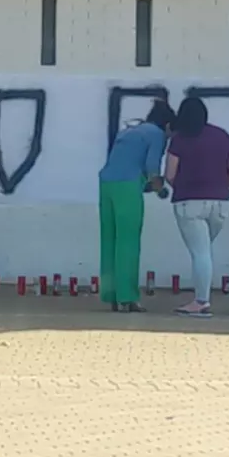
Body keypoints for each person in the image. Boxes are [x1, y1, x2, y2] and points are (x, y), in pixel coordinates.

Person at [164, 97, 229, 318]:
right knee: (204, 251)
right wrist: (223, 185)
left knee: (200, 253)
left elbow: (170, 174)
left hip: (189, 203)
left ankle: (201, 301)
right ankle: (201, 298)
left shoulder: (179, 140)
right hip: (221, 202)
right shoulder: (223, 136)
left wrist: (183, 185)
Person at [98, 98, 173, 313]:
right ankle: (128, 297)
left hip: (106, 184)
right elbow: (152, 168)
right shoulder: (157, 134)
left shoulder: (129, 131)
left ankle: (111, 295)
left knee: (109, 240)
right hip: (128, 186)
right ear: (167, 126)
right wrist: (161, 190)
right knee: (128, 242)